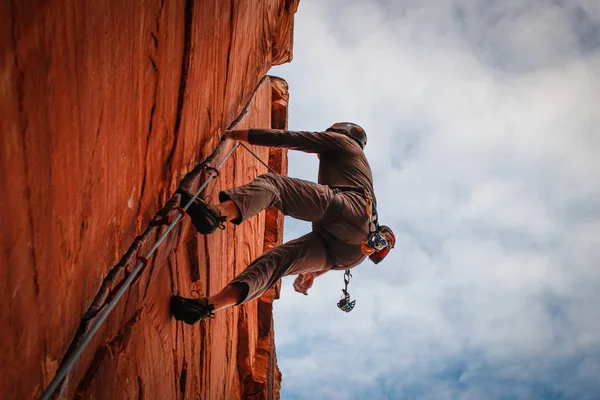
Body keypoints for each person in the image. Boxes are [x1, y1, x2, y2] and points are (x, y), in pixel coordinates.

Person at [170, 122, 395, 324]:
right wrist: (314, 273)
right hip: (350, 253)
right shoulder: (355, 166)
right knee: (275, 262)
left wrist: (230, 133)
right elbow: (356, 236)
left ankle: (217, 214)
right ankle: (205, 307)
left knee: (273, 185)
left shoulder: (343, 142)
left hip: (348, 210)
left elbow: (288, 138)